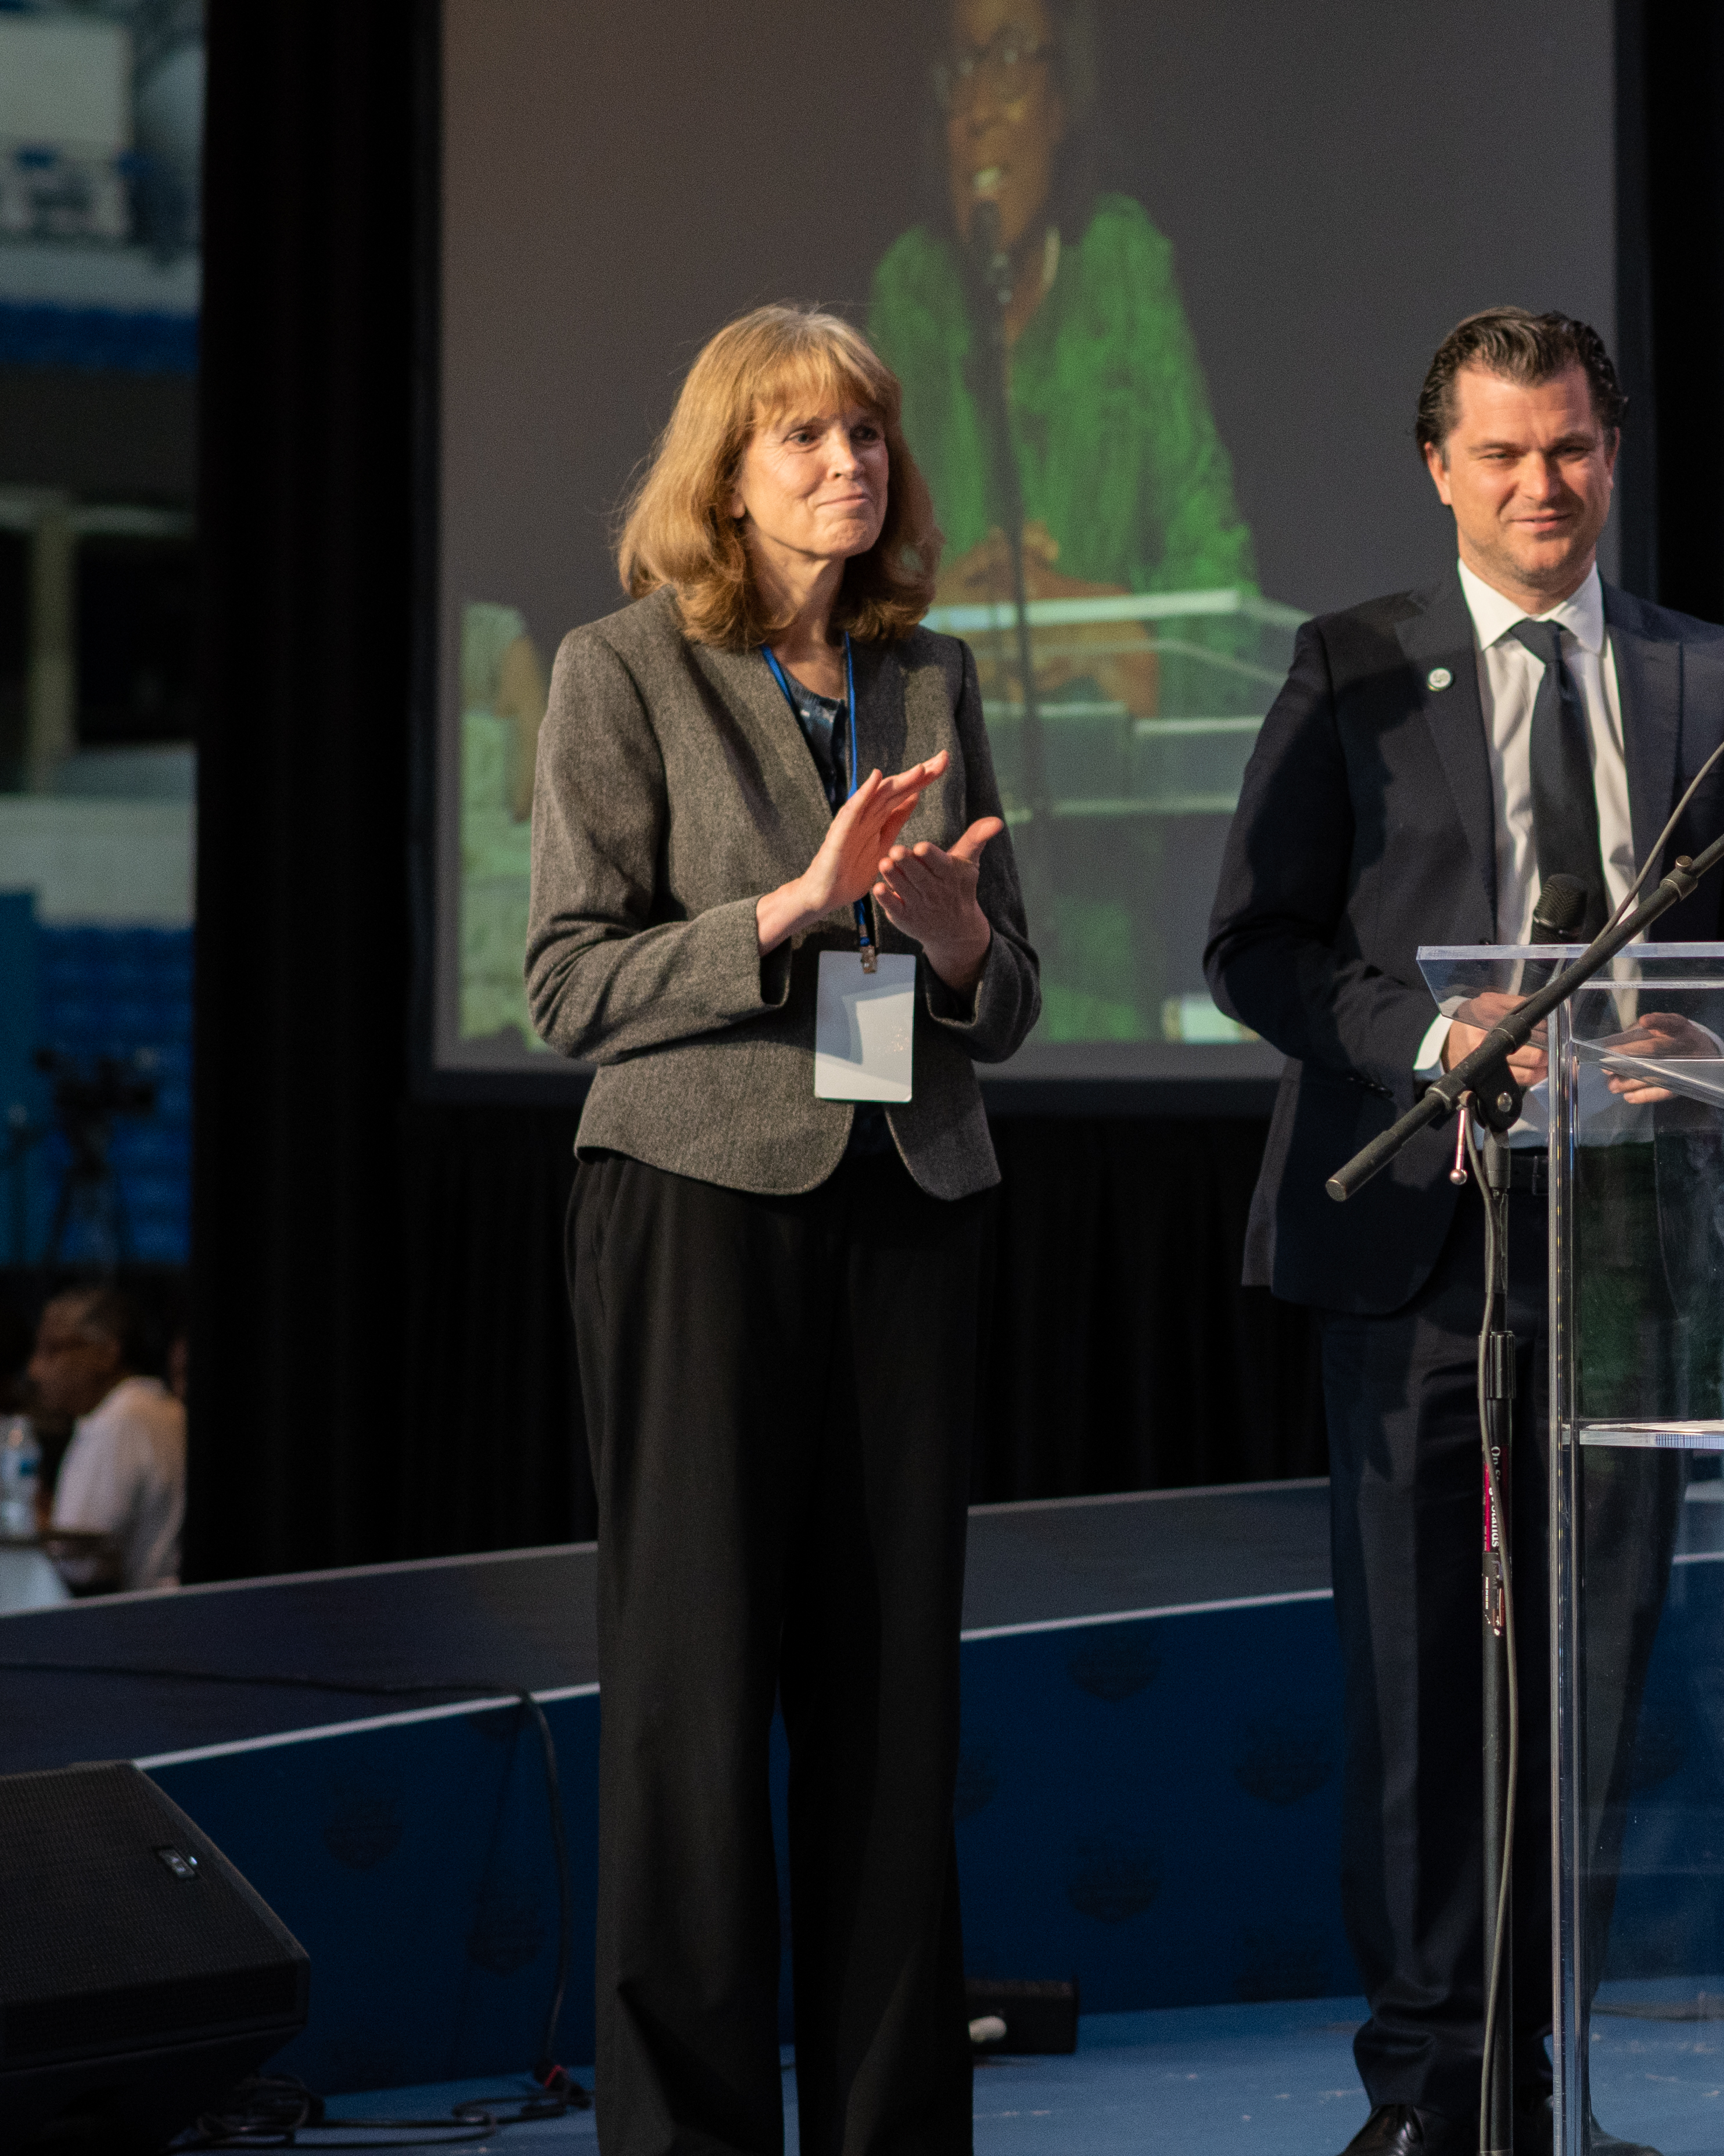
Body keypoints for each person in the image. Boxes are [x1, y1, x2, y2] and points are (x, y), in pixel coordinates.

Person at [1205, 307, 1724, 2156]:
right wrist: (1428, 1036)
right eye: (1501, 454)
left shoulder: (1709, 677)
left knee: (1584, 1689)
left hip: (1634, 1244)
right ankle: (1422, 2098)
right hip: (1420, 1244)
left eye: (1568, 449)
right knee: (1419, 1692)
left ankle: (1530, 2094)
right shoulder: (1352, 668)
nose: (1539, 486)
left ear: (1608, 456)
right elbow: (1253, 945)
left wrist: (1704, 1035)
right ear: (1437, 469)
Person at [525, 304, 1038, 2156]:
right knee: (690, 1690)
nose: (850, 466)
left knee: (894, 1710)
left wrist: (965, 951)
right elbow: (566, 986)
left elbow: (1011, 983)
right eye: (805, 439)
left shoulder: (930, 678)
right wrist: (783, 911)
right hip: (694, 1211)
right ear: (726, 481)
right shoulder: (618, 668)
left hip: (908, 1203)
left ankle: (895, 2127)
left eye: (869, 438)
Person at [868, 0, 1259, 1041]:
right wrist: (971, 604)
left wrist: (1087, 620)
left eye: (1008, 62)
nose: (979, 110)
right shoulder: (910, 289)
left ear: (1062, 101)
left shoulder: (1123, 270)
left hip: (1096, 909)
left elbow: (1217, 600)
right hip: (915, 873)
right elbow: (854, 594)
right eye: (957, 72)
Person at [30, 1285, 184, 1594]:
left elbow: (81, 1566)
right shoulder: (159, 1406)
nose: (36, 1371)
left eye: (52, 1350)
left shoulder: (119, 1420)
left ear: (105, 1353)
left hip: (138, 1627)